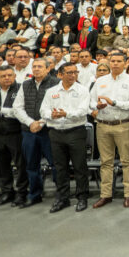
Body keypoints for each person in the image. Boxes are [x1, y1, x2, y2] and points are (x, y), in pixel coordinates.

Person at [89, 50, 129, 208]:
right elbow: (90, 101)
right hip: (103, 124)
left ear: (125, 63)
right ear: (109, 62)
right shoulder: (100, 80)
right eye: (113, 61)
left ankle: (128, 194)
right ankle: (106, 195)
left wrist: (114, 102)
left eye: (119, 61)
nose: (115, 64)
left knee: (127, 161)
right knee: (106, 162)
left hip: (123, 124)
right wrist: (96, 106)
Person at [42, 62, 91, 212]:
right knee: (60, 167)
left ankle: (82, 197)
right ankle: (62, 198)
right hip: (56, 132)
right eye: (69, 73)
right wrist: (52, 114)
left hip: (75, 131)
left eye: (75, 72)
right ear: (60, 74)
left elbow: (83, 110)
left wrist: (66, 114)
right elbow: (43, 110)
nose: (73, 75)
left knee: (79, 166)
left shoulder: (82, 90)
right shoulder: (51, 91)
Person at [12, 57, 58, 208]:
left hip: (49, 130)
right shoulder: (26, 84)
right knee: (31, 165)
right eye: (34, 66)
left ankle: (61, 194)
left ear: (48, 68)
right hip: (29, 131)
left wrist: (41, 122)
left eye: (40, 66)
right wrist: (31, 122)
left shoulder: (56, 83)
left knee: (55, 164)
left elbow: (56, 106)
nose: (36, 69)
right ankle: (35, 194)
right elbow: (17, 107)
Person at [0, 65, 27, 206]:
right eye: (3, 76)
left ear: (14, 76)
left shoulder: (21, 88)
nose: (7, 78)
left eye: (9, 75)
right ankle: (7, 192)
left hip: (15, 132)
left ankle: (22, 193)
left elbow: (20, 111)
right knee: (1, 166)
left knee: (20, 165)